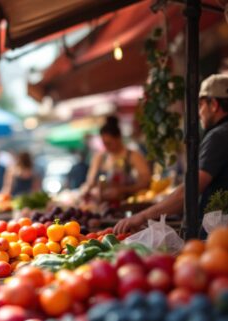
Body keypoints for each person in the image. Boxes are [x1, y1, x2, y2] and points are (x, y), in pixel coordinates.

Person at [116, 74, 228, 234]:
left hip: (220, 237)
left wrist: (142, 217)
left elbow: (190, 190)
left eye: (201, 104)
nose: (198, 112)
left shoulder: (219, 136)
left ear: (214, 104)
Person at [81, 116, 151, 204]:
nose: (106, 146)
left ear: (119, 138)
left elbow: (146, 182)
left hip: (128, 204)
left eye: (109, 143)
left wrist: (123, 190)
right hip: (102, 205)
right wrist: (86, 189)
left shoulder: (133, 156)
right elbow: (90, 182)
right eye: (104, 143)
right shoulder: (99, 157)